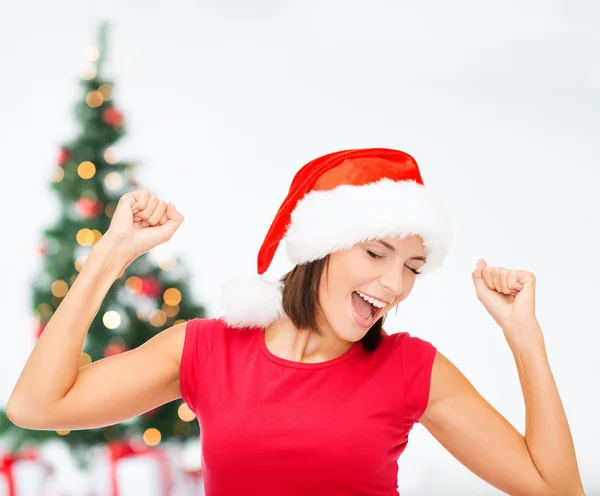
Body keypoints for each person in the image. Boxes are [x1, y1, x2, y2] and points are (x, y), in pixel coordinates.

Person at [7, 148, 584, 495]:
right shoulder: (209, 350)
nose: (394, 285)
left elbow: (555, 490)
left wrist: (524, 336)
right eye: (376, 254)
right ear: (319, 250)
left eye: (411, 266)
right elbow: (35, 406)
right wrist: (111, 255)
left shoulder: (411, 370)